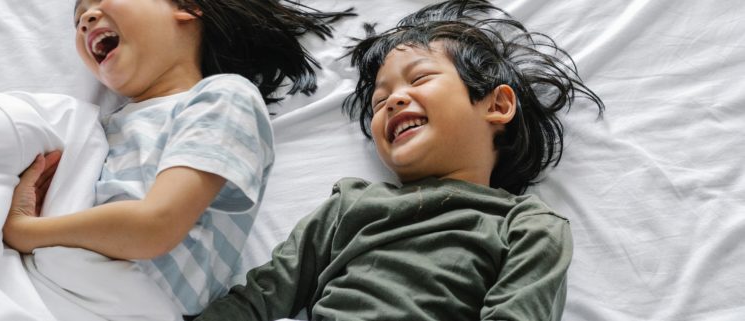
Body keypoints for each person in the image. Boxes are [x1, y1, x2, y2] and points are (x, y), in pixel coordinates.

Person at [193, 0, 604, 320]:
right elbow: (260, 296)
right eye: (379, 101)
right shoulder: (349, 206)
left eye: (421, 78)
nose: (393, 100)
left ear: (496, 105)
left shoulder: (527, 226)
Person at [2, 0, 352, 316]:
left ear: (186, 7)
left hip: (126, 296)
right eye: (78, 19)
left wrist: (26, 231)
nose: (86, 20)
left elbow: (155, 226)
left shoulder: (224, 98)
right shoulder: (100, 128)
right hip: (49, 281)